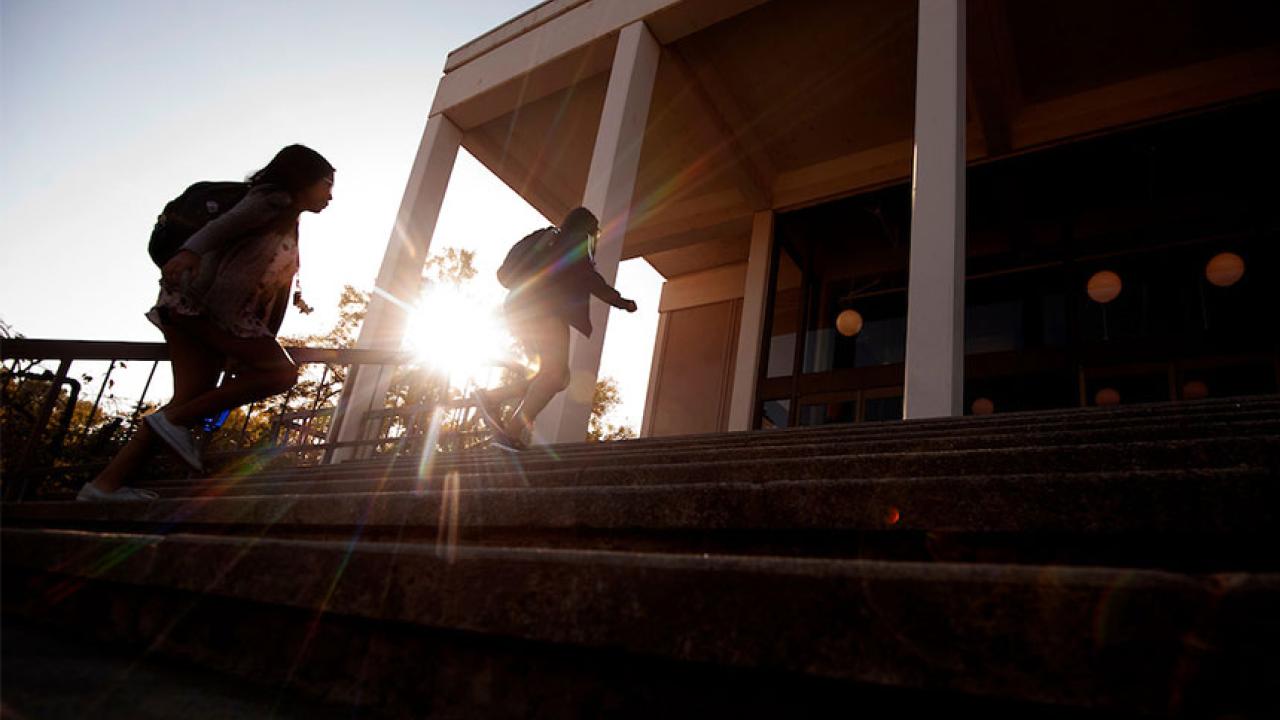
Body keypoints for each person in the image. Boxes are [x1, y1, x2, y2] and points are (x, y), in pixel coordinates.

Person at [77, 144, 335, 501]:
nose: (331, 195)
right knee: (281, 373)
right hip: (206, 310)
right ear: (302, 180)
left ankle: (102, 486)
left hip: (190, 307)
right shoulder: (270, 201)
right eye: (326, 184)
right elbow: (223, 226)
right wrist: (189, 252)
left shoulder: (285, 216)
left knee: (185, 401)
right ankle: (170, 426)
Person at [474, 207, 637, 451]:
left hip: (519, 308)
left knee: (557, 377)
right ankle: (509, 433)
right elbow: (591, 279)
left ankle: (493, 398)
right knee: (553, 375)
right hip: (543, 310)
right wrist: (622, 301)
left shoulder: (549, 238)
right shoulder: (573, 243)